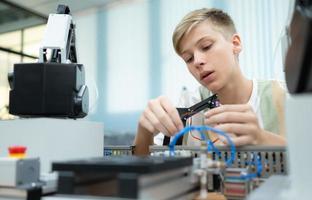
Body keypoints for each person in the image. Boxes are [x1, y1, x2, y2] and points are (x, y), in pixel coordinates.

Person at [133, 8, 286, 155]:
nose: (197, 62)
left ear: (235, 44)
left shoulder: (284, 96)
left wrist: (262, 138)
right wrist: (144, 131)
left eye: (206, 47)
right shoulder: (189, 107)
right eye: (189, 58)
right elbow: (141, 167)